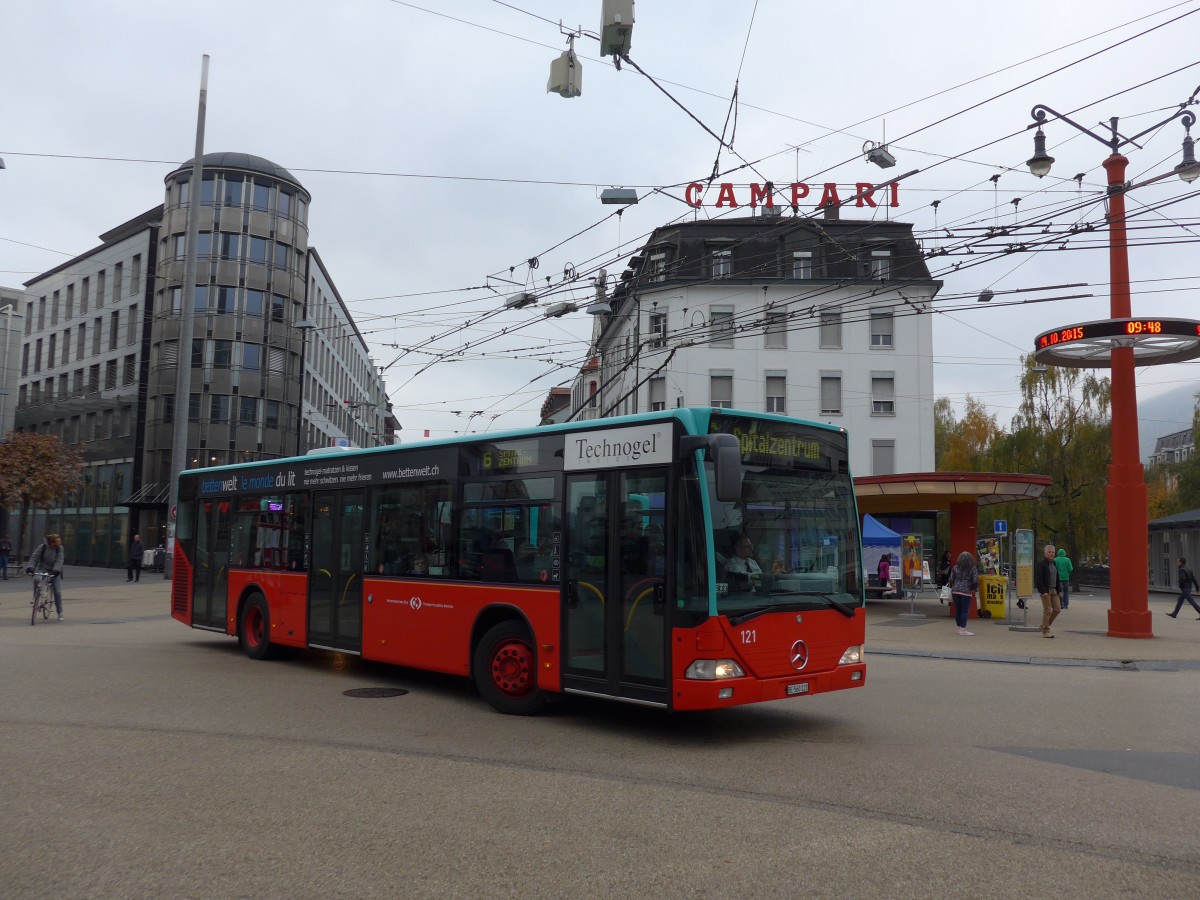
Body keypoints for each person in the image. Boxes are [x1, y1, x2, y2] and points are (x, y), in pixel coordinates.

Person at [26, 533, 66, 621]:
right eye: (58, 541)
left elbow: (59, 560)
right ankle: (36, 597)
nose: (60, 543)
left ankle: (59, 612)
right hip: (43, 569)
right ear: (51, 543)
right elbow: (34, 557)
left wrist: (56, 571)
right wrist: (30, 567)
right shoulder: (42, 547)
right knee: (36, 579)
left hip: (55, 571)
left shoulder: (60, 548)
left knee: (57, 591)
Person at [948, 551, 978, 636]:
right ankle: (963, 629)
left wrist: (955, 585)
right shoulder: (972, 568)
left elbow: (951, 579)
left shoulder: (955, 567)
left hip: (955, 591)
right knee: (964, 611)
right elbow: (975, 580)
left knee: (958, 610)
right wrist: (972, 587)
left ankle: (958, 628)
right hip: (966, 591)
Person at [1034, 543, 1061, 639]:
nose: (1051, 554)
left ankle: (1044, 625)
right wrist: (1043, 591)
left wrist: (1059, 590)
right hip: (1046, 591)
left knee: (1057, 609)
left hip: (1054, 590)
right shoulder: (1041, 564)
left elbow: (1057, 578)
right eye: (1049, 552)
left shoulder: (1054, 564)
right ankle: (1045, 631)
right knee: (1047, 610)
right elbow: (1039, 579)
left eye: (1053, 552)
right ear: (1045, 553)